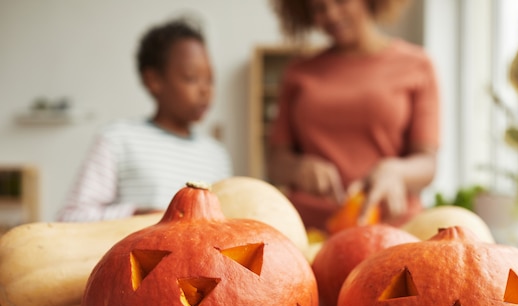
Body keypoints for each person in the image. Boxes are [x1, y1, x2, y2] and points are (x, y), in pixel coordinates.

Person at [268, 0, 440, 231]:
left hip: (393, 228)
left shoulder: (417, 65)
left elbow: (427, 162)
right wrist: (299, 169)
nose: (331, 14)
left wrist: (394, 171)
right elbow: (276, 162)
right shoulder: (298, 72)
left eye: (341, 1)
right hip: (309, 230)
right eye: (318, 8)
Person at [58, 17, 232, 222]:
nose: (205, 90)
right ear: (154, 80)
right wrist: (137, 216)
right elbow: (70, 217)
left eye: (210, 79)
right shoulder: (117, 139)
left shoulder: (217, 156)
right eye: (191, 78)